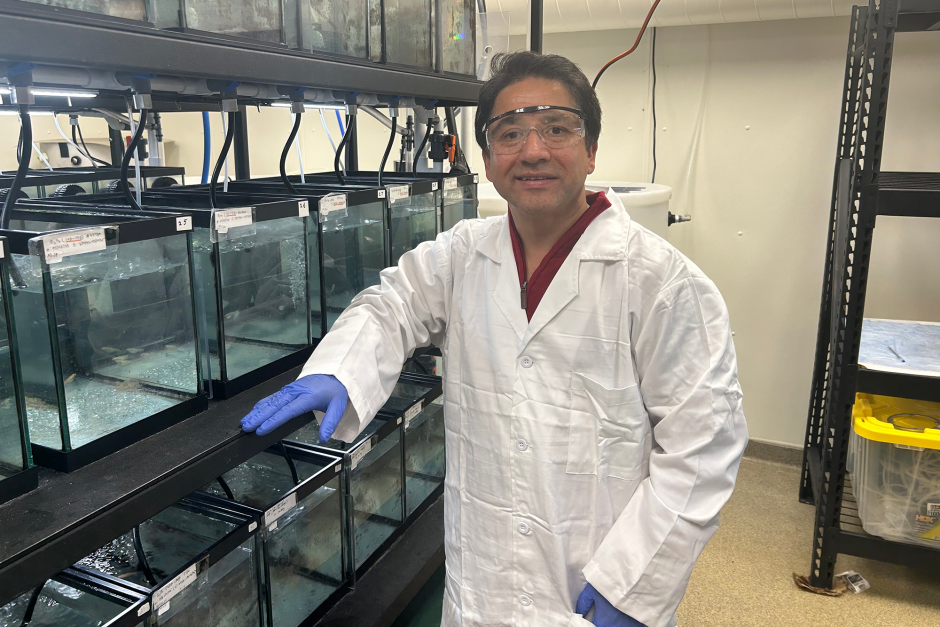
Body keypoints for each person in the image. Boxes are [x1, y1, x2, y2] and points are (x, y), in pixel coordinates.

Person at [242, 51, 748, 627]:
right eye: (510, 133)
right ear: (487, 159)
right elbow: (393, 303)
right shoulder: (463, 253)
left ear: (591, 149)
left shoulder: (663, 282)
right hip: (480, 587)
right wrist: (339, 368)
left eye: (557, 128)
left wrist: (636, 584)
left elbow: (703, 447)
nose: (533, 150)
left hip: (590, 589)